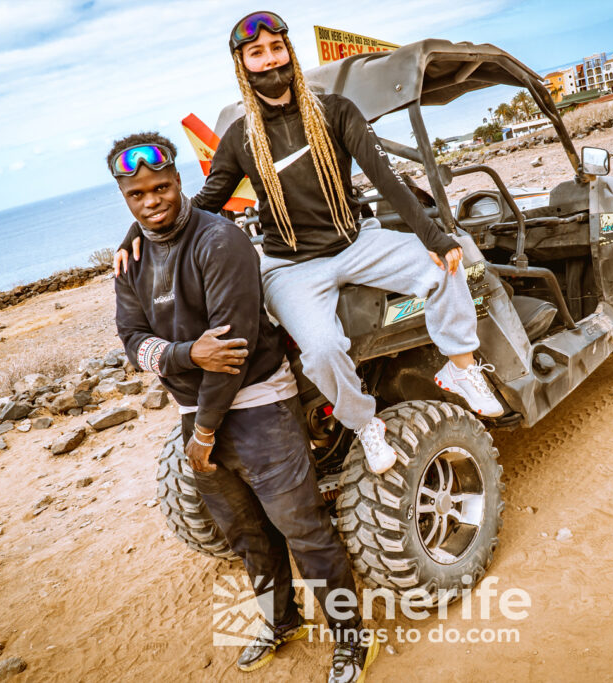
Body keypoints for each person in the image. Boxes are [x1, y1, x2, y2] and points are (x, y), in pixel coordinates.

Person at [116, 10, 504, 476]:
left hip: (358, 242)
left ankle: (459, 365)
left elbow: (387, 178)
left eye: (276, 48)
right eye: (256, 53)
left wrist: (434, 236)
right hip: (289, 266)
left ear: (288, 52)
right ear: (244, 65)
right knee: (321, 350)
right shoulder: (241, 138)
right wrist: (138, 229)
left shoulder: (336, 111)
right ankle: (365, 424)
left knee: (448, 265)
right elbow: (202, 203)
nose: (269, 59)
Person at [108, 132, 377, 682]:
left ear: (179, 180)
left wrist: (203, 430)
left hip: (258, 407)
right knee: (247, 535)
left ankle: (352, 640)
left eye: (161, 187)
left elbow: (230, 354)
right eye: (138, 194)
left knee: (303, 528)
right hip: (195, 414)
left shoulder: (219, 240)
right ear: (124, 194)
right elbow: (132, 340)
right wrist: (187, 355)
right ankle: (282, 622)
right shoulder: (132, 258)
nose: (152, 201)